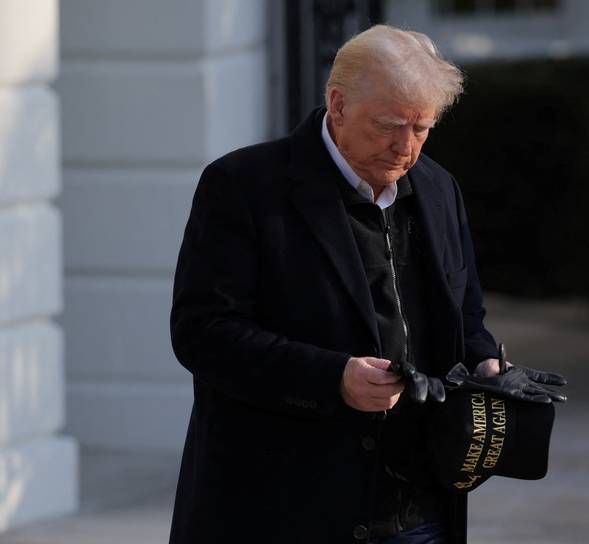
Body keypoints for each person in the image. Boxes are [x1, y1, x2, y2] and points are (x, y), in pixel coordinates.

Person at [168, 25, 559, 544]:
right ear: (338, 104)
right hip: (282, 508)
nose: (406, 147)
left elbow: (465, 318)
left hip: (419, 511)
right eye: (389, 125)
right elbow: (203, 333)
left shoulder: (439, 188)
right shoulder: (243, 186)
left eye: (423, 128)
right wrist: (334, 378)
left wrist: (487, 365)